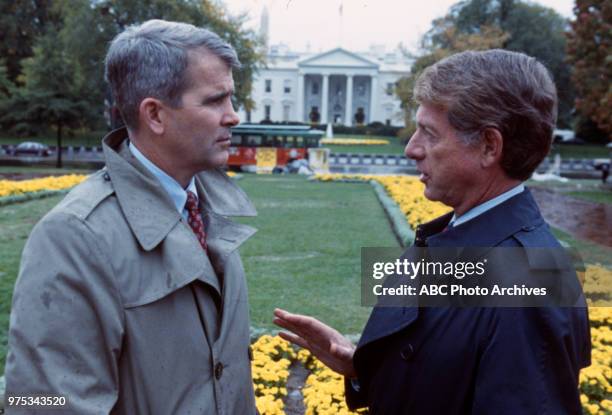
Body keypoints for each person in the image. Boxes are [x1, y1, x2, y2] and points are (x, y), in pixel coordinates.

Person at [274, 50, 591, 414]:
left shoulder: (530, 284)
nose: (411, 149)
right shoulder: (467, 236)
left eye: (429, 133)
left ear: (489, 146)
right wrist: (363, 366)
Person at [5, 20, 258, 414]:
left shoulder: (207, 205)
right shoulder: (73, 237)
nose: (233, 116)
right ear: (155, 115)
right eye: (214, 101)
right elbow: (40, 401)